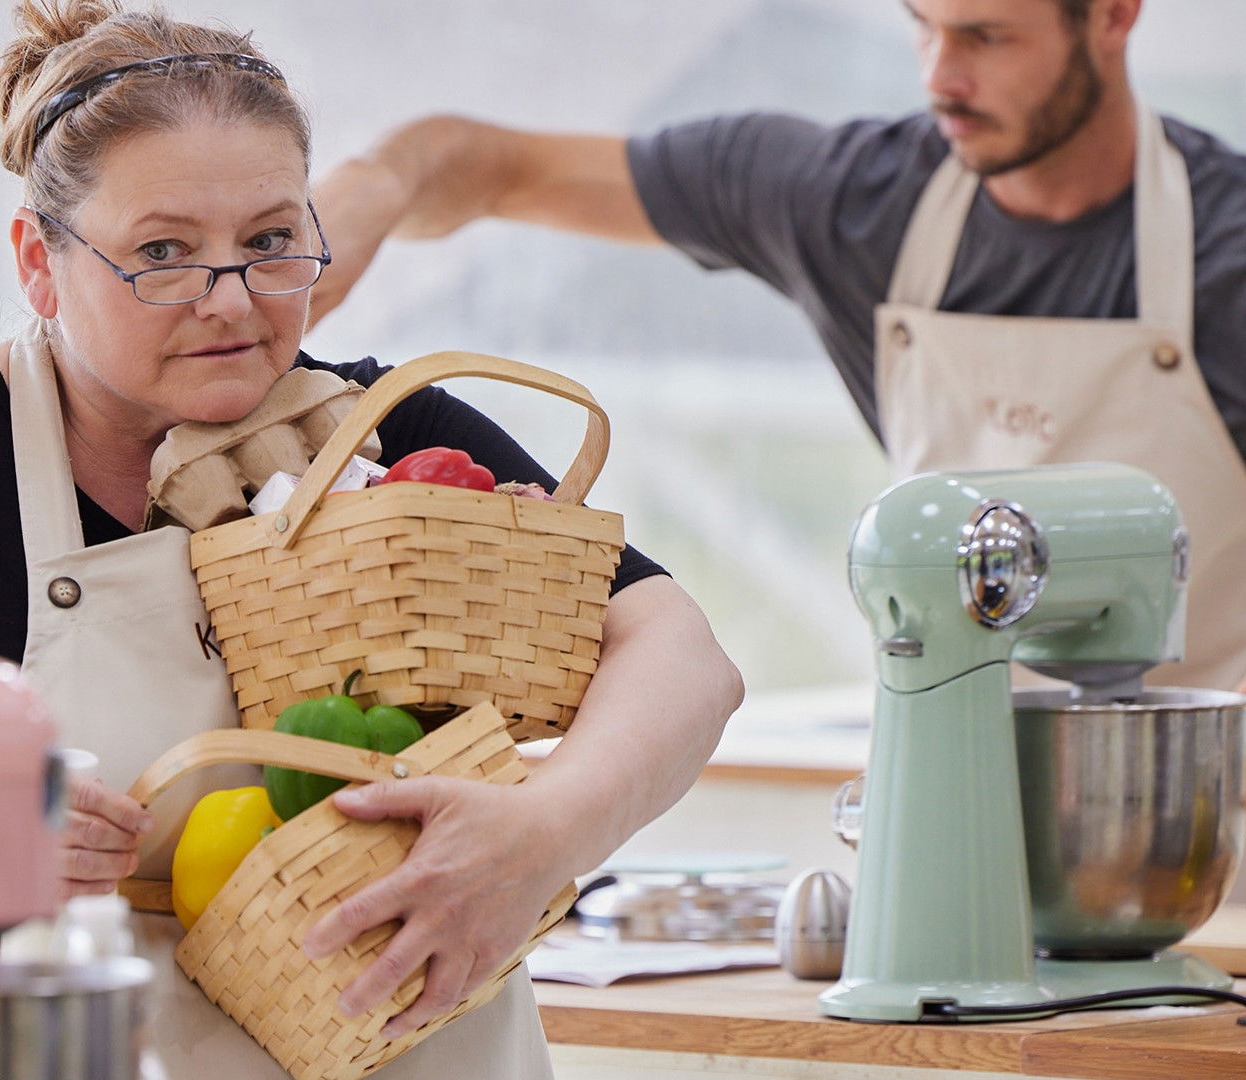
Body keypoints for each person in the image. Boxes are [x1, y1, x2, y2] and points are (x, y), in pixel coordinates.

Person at [0, 1, 742, 1075]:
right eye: (164, 253)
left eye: (271, 242)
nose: (230, 300)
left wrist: (549, 830)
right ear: (38, 263)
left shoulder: (388, 431)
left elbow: (681, 653)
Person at [310, 0, 1246, 692]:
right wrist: (359, 199)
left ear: (1115, 16)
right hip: (956, 789)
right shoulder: (858, 205)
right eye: (924, 26)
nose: (938, 77)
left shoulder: (1226, 247)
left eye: (986, 37)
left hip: (1206, 832)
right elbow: (483, 163)